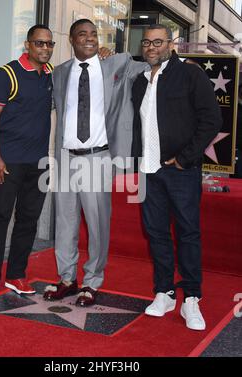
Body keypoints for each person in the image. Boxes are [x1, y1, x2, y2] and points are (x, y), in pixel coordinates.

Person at [43, 19, 148, 306]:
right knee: (64, 222)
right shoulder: (60, 73)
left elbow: (151, 68)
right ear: (72, 40)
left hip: (97, 156)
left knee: (98, 222)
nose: (89, 39)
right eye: (82, 35)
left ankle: (92, 280)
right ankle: (67, 278)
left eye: (93, 35)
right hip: (66, 155)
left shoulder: (117, 64)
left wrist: (181, 62)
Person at [132, 24, 222, 330]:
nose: (152, 47)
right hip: (149, 170)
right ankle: (165, 292)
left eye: (158, 42)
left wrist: (185, 159)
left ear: (172, 44)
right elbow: (138, 126)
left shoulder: (190, 74)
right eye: (147, 42)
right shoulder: (139, 80)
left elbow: (211, 119)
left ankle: (191, 298)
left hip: (180, 170)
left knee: (187, 232)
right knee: (156, 233)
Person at [0, 24, 55, 301]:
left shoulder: (50, 74)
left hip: (39, 163)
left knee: (28, 221)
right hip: (7, 163)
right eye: (39, 43)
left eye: (49, 44)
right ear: (27, 45)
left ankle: (16, 275)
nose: (45, 48)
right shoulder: (7, 74)